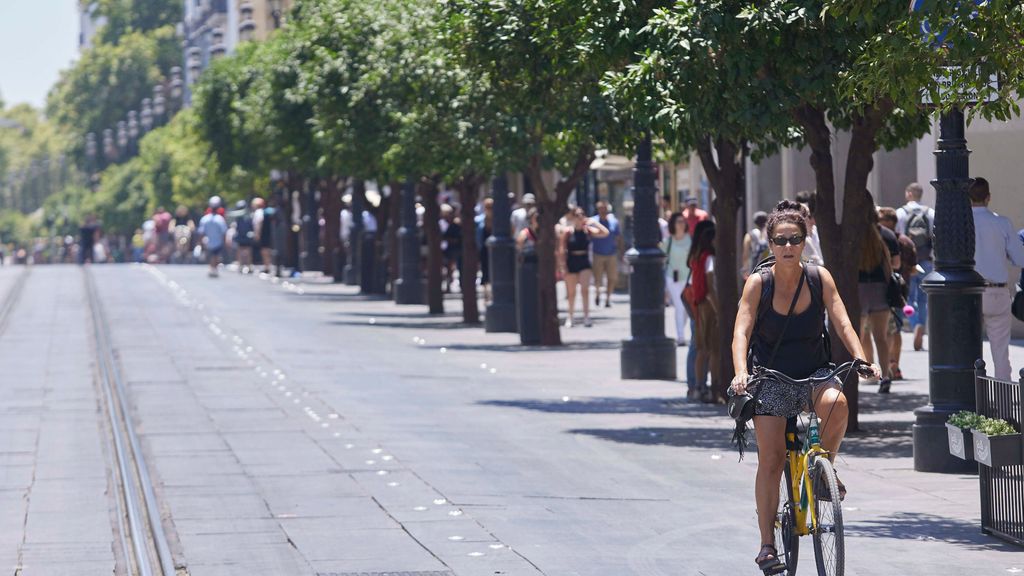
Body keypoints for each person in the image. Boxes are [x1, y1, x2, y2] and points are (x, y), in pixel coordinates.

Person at [729, 200, 881, 572]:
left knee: (838, 404)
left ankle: (823, 471)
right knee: (772, 459)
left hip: (815, 373)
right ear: (770, 245)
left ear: (804, 240)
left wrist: (862, 357)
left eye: (795, 239)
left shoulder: (819, 277)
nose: (787, 247)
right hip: (772, 378)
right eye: (780, 240)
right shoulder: (758, 283)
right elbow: (741, 332)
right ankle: (767, 545)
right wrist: (739, 373)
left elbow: (843, 321)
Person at [970, 177, 1024, 381]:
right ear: (988, 197)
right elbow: (1020, 258)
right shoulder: (1002, 223)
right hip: (996, 290)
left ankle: (971, 398)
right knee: (1001, 351)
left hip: (969, 291)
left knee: (968, 348)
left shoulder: (961, 224)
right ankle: (1003, 403)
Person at [857, 194, 900, 393]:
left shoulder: (853, 234)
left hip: (857, 289)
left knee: (857, 335)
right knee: (881, 337)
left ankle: (862, 372)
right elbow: (896, 264)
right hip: (880, 290)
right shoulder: (888, 236)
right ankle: (885, 376)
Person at [896, 182, 935, 351]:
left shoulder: (901, 213)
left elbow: (898, 237)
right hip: (926, 260)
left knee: (908, 298)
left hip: (908, 263)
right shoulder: (930, 213)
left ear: (909, 193)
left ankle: (914, 324)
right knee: (923, 298)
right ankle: (921, 325)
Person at [879, 206, 916, 380]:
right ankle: (895, 365)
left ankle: (887, 365)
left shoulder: (880, 238)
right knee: (896, 329)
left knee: (882, 330)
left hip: (882, 289)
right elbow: (914, 267)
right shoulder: (906, 242)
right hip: (901, 290)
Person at [559, 207, 608, 328]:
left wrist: (595, 222)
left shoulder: (588, 230)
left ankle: (587, 317)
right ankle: (570, 317)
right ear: (573, 217)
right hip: (571, 260)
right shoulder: (568, 232)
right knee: (571, 292)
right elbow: (561, 249)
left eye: (582, 215)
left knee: (585, 290)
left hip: (584, 260)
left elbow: (605, 232)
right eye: (577, 215)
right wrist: (562, 266)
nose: (580, 217)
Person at [687, 220, 719, 400]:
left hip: (699, 305)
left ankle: (699, 386)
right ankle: (714, 388)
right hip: (709, 306)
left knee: (701, 348)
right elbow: (710, 287)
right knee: (713, 349)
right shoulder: (709, 258)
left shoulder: (696, 256)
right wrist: (719, 310)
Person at [660, 213, 692, 349]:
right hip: (672, 278)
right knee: (679, 306)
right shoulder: (668, 241)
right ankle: (680, 336)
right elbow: (660, 255)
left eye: (683, 221)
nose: (681, 224)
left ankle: (681, 331)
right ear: (672, 224)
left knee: (686, 308)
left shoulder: (690, 240)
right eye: (678, 221)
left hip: (688, 277)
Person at [590, 201, 622, 308]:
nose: (603, 211)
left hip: (611, 253)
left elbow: (618, 237)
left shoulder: (614, 222)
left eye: (605, 208)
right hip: (597, 253)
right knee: (597, 278)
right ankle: (598, 293)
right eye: (601, 208)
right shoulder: (593, 221)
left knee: (612, 277)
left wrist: (620, 251)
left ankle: (608, 298)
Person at [198, 196, 229, 277]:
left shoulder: (205, 219)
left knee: (213, 255)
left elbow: (201, 232)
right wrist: (225, 242)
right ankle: (213, 268)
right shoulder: (220, 219)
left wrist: (200, 242)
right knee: (215, 255)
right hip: (217, 240)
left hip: (208, 241)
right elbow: (224, 232)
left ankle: (212, 268)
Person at [475, 198, 495, 303]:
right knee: (485, 273)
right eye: (487, 207)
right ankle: (486, 296)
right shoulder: (479, 220)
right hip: (484, 251)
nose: (489, 209)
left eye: (491, 207)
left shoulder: (498, 220)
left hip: (496, 252)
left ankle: (491, 295)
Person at [741, 211, 770, 277]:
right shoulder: (770, 234)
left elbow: (745, 254)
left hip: (755, 266)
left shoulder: (749, 235)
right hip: (769, 265)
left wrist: (745, 269)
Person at [251, 197, 274, 274]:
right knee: (267, 249)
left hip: (263, 233)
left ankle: (267, 266)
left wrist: (257, 234)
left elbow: (258, 223)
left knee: (264, 250)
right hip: (268, 232)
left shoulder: (258, 212)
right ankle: (268, 265)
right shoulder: (265, 211)